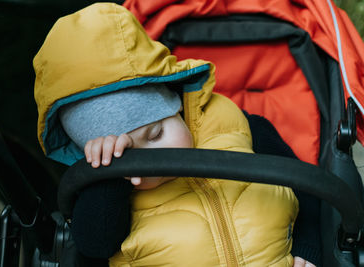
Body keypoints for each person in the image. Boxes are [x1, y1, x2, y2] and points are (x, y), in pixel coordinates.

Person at [33, 3, 317, 266]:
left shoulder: (238, 125)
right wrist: (110, 172)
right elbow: (95, 246)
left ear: (176, 105)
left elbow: (307, 186)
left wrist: (309, 248)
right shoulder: (108, 191)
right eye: (131, 155)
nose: (154, 159)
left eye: (156, 134)